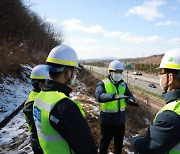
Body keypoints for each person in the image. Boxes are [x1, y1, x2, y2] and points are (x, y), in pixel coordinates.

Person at [33, 45, 97, 154]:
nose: (75, 75)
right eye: (74, 71)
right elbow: (87, 147)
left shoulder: (39, 97)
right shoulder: (63, 106)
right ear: (67, 72)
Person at [131, 49, 180, 154]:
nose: (160, 76)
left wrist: (135, 140)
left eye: (162, 72)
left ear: (170, 77)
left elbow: (150, 148)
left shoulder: (170, 116)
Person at [95, 60, 139, 154]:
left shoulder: (123, 84)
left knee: (118, 146)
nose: (118, 74)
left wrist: (131, 100)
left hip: (120, 122)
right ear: (110, 72)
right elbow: (99, 96)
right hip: (107, 122)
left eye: (120, 72)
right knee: (104, 145)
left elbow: (129, 95)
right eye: (116, 72)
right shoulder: (103, 84)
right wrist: (114, 96)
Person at [23, 64, 49, 154]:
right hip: (39, 144)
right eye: (48, 82)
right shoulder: (33, 103)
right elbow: (35, 129)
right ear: (41, 84)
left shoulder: (37, 96)